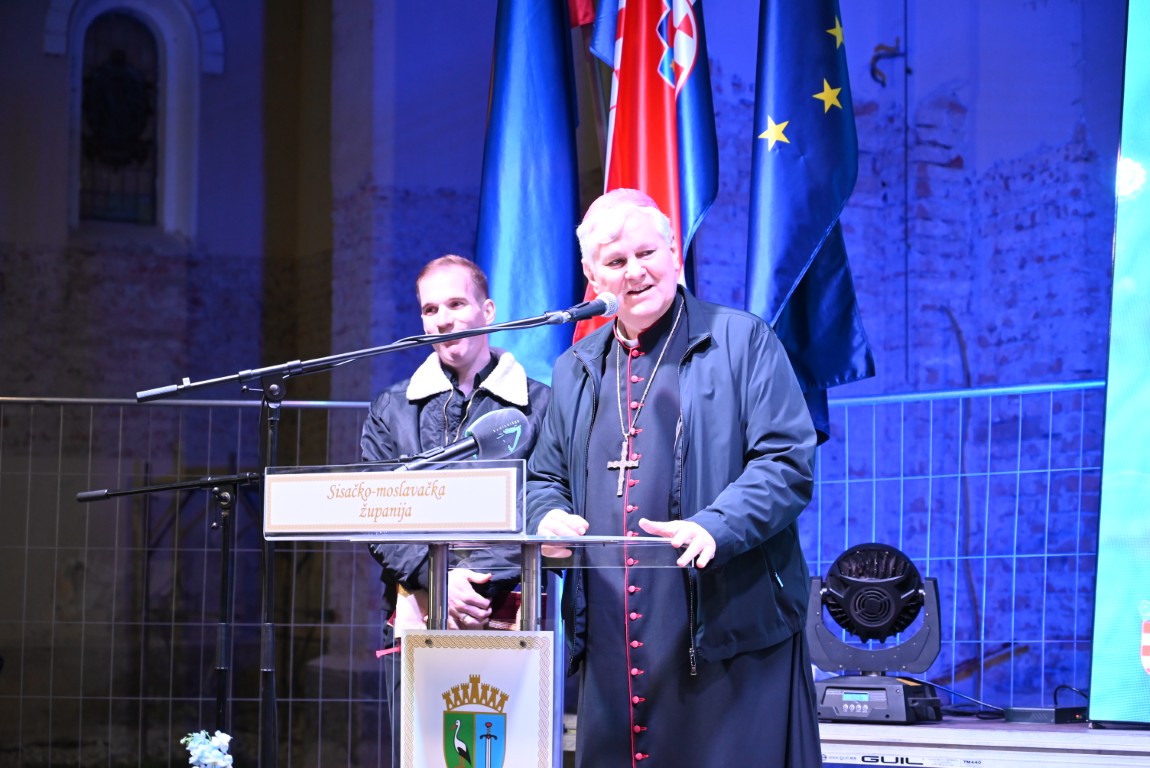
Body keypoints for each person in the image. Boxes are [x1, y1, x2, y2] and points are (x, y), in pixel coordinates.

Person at [526, 189, 822, 767]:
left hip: (727, 631)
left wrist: (717, 525)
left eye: (647, 253)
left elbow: (786, 460)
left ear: (674, 254)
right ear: (592, 276)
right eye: (616, 261)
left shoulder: (742, 340)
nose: (634, 271)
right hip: (611, 638)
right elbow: (544, 476)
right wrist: (547, 517)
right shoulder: (575, 368)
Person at [360, 255, 550, 759]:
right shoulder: (391, 409)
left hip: (509, 613)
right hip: (416, 611)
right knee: (424, 757)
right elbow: (376, 514)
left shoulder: (541, 406)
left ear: (488, 310)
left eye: (456, 304)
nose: (443, 319)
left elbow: (543, 500)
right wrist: (436, 577)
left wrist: (469, 584)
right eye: (430, 309)